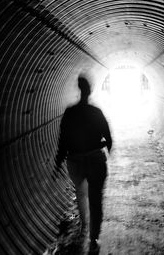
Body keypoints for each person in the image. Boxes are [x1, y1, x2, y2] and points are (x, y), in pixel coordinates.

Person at [55, 74, 112, 253]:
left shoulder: (70, 112)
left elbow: (63, 140)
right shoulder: (96, 112)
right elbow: (109, 137)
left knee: (81, 193)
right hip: (95, 159)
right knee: (95, 199)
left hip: (75, 161)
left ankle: (84, 225)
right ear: (90, 90)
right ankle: (93, 238)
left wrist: (58, 160)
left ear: (79, 89)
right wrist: (107, 150)